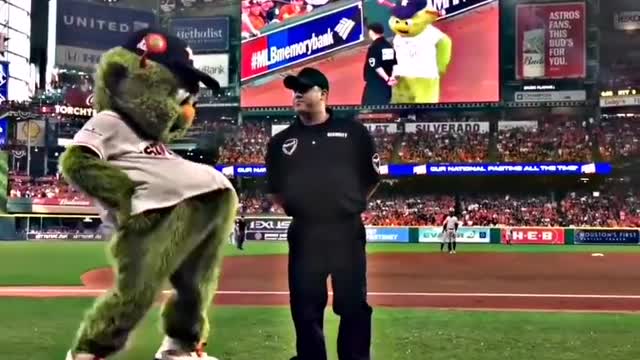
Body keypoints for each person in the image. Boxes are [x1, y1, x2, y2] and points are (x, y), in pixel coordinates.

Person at [265, 67, 380, 360]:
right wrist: (308, 210)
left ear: (324, 95)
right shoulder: (280, 143)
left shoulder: (354, 133)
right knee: (304, 307)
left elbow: (371, 179)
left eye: (305, 88)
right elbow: (275, 189)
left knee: (353, 304)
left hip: (346, 231)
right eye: (295, 90)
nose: (298, 94)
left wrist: (344, 206)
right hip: (305, 232)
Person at [361, 22, 397, 105]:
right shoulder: (388, 46)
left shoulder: (373, 48)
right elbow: (394, 64)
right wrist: (391, 77)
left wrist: (387, 78)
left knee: (367, 109)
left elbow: (376, 66)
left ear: (371, 32)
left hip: (374, 85)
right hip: (386, 87)